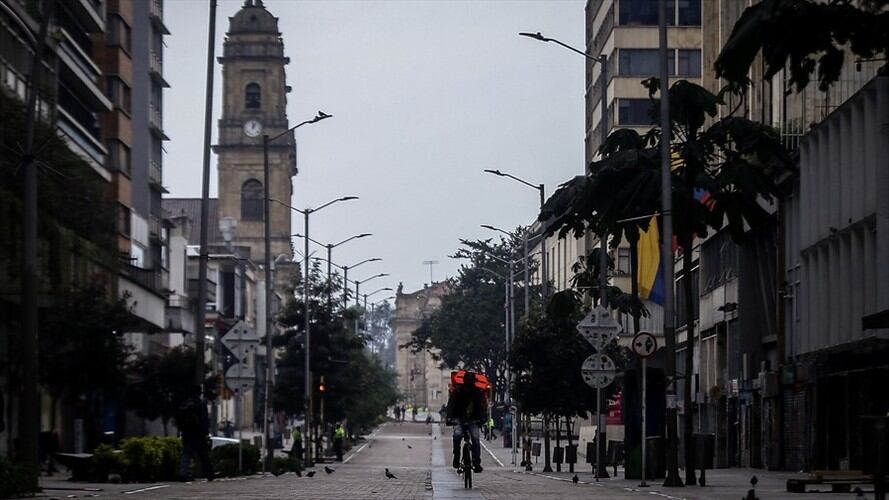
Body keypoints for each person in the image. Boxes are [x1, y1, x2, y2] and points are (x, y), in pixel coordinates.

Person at [446, 371, 486, 473]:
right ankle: (457, 457)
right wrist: (449, 418)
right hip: (459, 419)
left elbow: (482, 407)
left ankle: (476, 462)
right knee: (457, 435)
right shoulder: (457, 391)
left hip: (473, 419)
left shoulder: (478, 393)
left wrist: (482, 418)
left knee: (475, 438)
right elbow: (451, 405)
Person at [176, 389, 214, 481]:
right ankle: (209, 474)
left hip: (187, 434)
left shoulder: (184, 404)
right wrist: (206, 432)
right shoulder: (200, 404)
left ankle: (183, 473)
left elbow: (179, 419)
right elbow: (204, 420)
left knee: (186, 454)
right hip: (199, 434)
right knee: (203, 455)